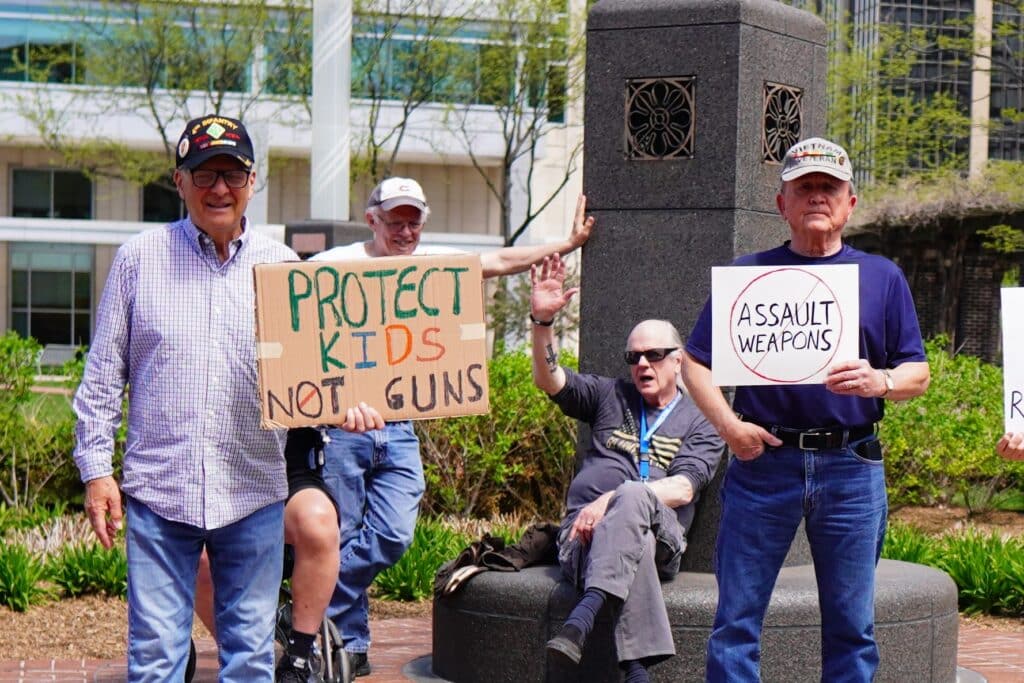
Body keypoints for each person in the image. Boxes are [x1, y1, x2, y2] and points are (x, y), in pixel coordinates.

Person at [307, 177, 595, 676]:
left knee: (393, 534)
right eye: (394, 219)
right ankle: (348, 647)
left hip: (399, 423)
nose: (404, 230)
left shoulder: (430, 262)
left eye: (413, 219)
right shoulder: (333, 265)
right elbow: (282, 299)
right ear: (371, 217)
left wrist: (567, 244)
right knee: (343, 532)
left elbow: (500, 261)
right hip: (344, 424)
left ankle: (310, 609)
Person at [680, 137, 931, 682]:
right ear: (782, 204)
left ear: (850, 203)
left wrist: (879, 380)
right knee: (735, 623)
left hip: (852, 467)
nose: (817, 196)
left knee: (852, 627)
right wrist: (729, 427)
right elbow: (693, 363)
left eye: (828, 187)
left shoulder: (882, 276)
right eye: (805, 187)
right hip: (762, 462)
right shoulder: (750, 276)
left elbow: (918, 373)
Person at [72, 115, 300, 681]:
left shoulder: (286, 272)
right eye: (203, 174)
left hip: (252, 492)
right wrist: (97, 471)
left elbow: (320, 385)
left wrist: (352, 408)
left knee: (249, 658)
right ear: (179, 181)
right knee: (154, 661)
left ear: (253, 181)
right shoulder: (137, 261)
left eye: (232, 173)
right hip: (159, 493)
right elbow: (102, 377)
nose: (218, 187)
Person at [531, 254, 724, 682]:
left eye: (655, 355)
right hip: (580, 537)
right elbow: (551, 379)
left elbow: (684, 489)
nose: (642, 365)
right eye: (633, 356)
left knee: (636, 493)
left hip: (662, 540)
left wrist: (610, 499)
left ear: (679, 361)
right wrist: (541, 323)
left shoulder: (704, 418)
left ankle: (583, 616)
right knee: (627, 545)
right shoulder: (608, 395)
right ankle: (636, 671)